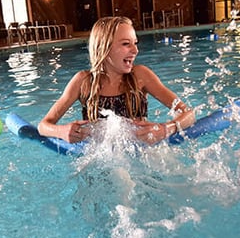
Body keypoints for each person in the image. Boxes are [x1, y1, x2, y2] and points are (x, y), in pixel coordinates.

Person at [38, 16, 195, 144]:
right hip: (101, 157)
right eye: (126, 44)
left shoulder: (140, 76)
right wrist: (61, 131)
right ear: (103, 48)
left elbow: (188, 114)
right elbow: (43, 126)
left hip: (140, 154)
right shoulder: (83, 82)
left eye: (135, 43)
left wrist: (165, 129)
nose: (135, 50)